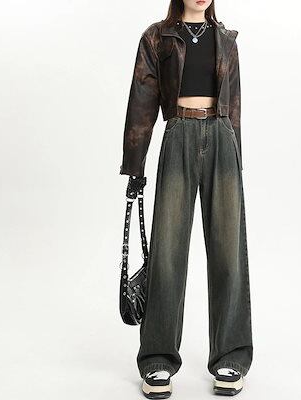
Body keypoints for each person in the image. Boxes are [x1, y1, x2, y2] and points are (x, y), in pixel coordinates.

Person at [120, 0, 253, 397]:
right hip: (178, 133)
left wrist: (235, 160)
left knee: (228, 251)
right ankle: (157, 360)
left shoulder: (225, 39)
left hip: (222, 137)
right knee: (167, 253)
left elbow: (235, 105)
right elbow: (141, 101)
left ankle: (231, 357)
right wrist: (135, 166)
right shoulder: (157, 37)